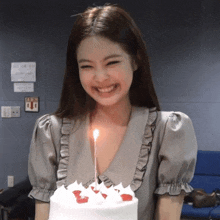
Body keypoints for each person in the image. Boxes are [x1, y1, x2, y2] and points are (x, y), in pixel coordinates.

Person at [28, 3, 198, 220]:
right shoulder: (51, 132)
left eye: (112, 62)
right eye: (87, 66)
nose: (100, 78)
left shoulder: (168, 131)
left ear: (135, 60)